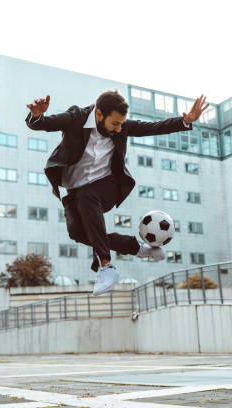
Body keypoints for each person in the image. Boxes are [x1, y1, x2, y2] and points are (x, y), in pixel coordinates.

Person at [25, 90, 209, 295]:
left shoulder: (121, 127)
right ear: (99, 114)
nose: (119, 129)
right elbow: (45, 123)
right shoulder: (76, 117)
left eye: (122, 124)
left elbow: (153, 128)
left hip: (107, 185)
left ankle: (106, 266)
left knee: (88, 196)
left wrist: (185, 121)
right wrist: (37, 116)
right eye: (115, 124)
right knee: (78, 233)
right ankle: (140, 250)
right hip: (75, 190)